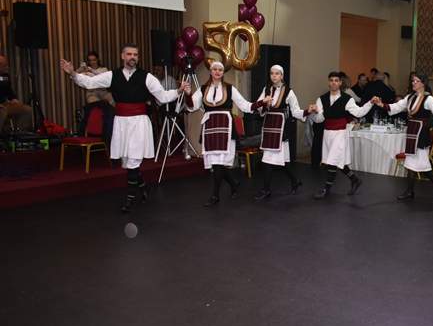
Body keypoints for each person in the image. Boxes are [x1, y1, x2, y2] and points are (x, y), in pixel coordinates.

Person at [60, 44, 183, 212]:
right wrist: (73, 73)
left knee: (133, 162)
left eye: (135, 55)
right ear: (122, 56)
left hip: (139, 123)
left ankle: (130, 198)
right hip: (121, 123)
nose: (133, 57)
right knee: (128, 162)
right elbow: (89, 83)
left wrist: (179, 91)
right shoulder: (112, 75)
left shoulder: (147, 77)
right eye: (129, 54)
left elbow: (163, 96)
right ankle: (143, 188)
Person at [181, 61, 253, 206]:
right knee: (216, 163)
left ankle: (215, 195)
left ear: (223, 72)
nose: (217, 72)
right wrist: (188, 94)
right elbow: (191, 106)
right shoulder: (203, 89)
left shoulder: (230, 88)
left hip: (225, 128)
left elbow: (245, 105)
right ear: (211, 71)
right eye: (215, 69)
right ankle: (233, 184)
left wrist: (261, 103)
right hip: (210, 128)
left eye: (220, 69)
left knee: (219, 164)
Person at [373, 73, 433, 200]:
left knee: (420, 162)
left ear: (423, 83)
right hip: (412, 131)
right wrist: (381, 104)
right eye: (413, 81)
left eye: (416, 81)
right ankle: (429, 187)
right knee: (411, 162)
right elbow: (396, 107)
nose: (413, 83)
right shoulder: (410, 97)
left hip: (421, 133)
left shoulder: (429, 99)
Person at [309, 71, 374, 199]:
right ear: (329, 83)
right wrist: (314, 112)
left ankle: (326, 189)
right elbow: (319, 120)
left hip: (340, 133)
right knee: (336, 160)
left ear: (340, 83)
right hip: (327, 134)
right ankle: (355, 179)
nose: (333, 83)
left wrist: (370, 103)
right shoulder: (321, 99)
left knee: (332, 161)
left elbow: (359, 112)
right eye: (331, 80)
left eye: (336, 80)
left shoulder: (347, 99)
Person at [253, 65, 307, 201]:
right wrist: (263, 103)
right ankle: (295, 181)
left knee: (268, 160)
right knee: (282, 161)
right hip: (268, 127)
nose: (274, 76)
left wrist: (307, 112)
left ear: (282, 76)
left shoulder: (289, 92)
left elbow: (295, 111)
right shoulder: (266, 89)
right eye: (272, 73)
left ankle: (266, 189)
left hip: (281, 128)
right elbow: (258, 106)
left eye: (277, 73)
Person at [0, 54, 34, 133]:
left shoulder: (5, 76)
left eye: (6, 65)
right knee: (2, 111)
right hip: (1, 107)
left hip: (5, 104)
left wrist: (14, 99)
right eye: (4, 65)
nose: (7, 67)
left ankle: (20, 133)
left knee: (27, 110)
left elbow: (9, 91)